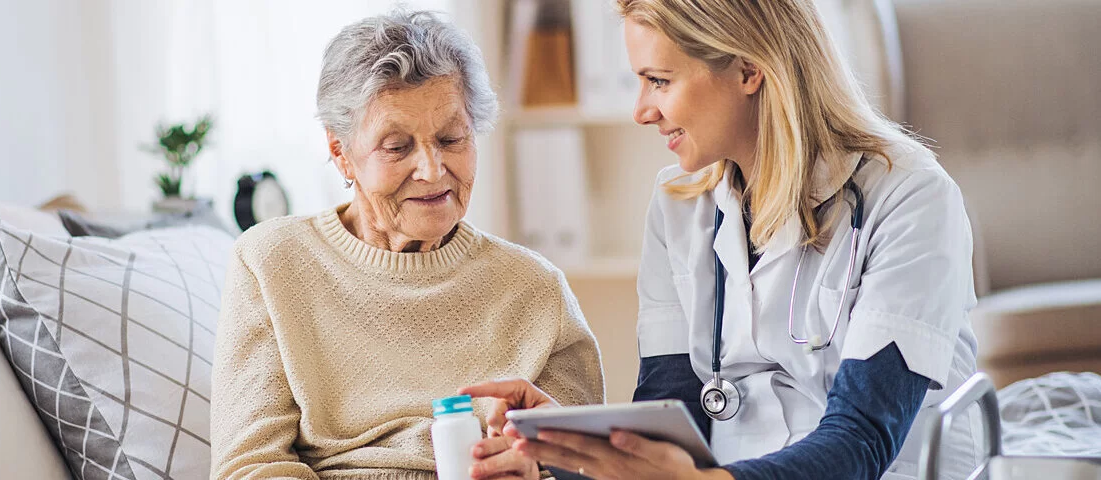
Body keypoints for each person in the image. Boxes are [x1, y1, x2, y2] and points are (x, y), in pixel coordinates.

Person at [463, 0, 980, 479]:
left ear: (748, 69)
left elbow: (862, 439)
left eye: (659, 81)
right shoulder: (678, 204)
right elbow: (673, 411)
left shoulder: (911, 197)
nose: (642, 110)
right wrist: (566, 446)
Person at [210, 9, 604, 480]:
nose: (433, 170)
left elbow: (589, 467)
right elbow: (251, 467)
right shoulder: (272, 263)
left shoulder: (536, 290)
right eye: (397, 147)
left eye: (452, 138)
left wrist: (541, 470)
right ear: (341, 153)